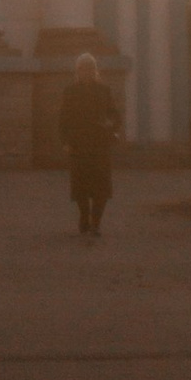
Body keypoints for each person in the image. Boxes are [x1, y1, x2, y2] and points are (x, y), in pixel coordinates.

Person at [58, 50, 121, 241]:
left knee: (101, 186)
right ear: (77, 71)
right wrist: (65, 141)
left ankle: (96, 223)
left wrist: (111, 124)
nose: (87, 72)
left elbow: (115, 115)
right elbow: (63, 119)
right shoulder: (70, 91)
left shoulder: (104, 90)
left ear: (96, 70)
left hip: (100, 145)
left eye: (91, 68)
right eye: (83, 68)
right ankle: (84, 215)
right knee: (81, 186)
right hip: (78, 145)